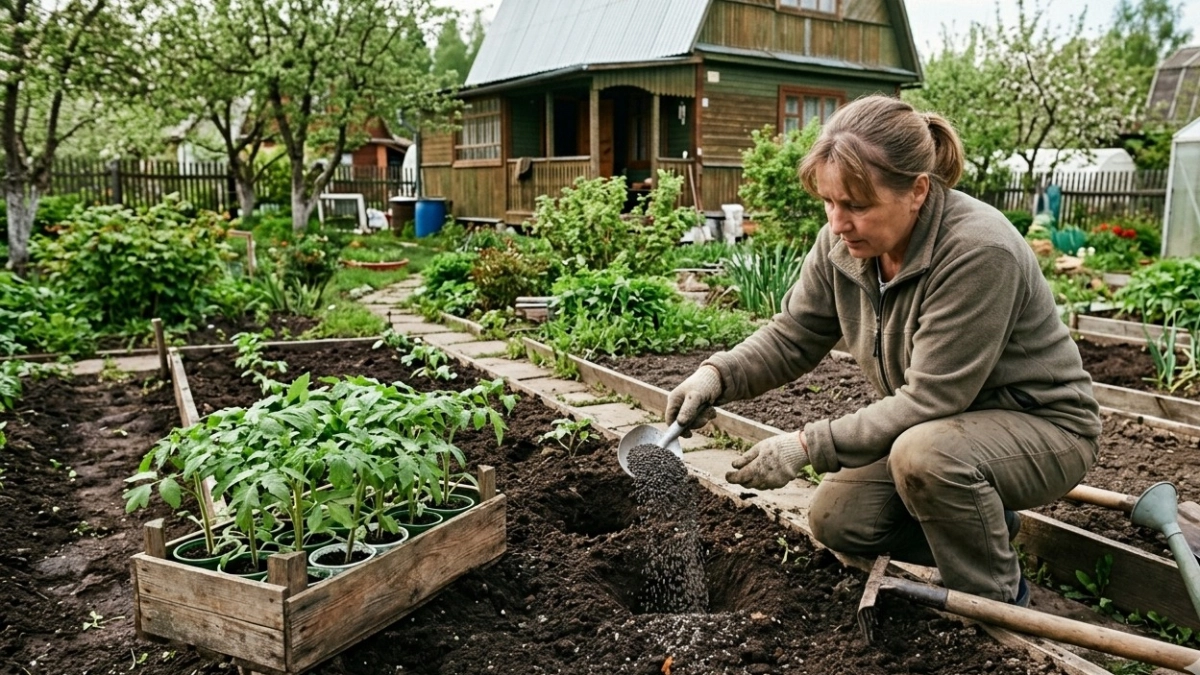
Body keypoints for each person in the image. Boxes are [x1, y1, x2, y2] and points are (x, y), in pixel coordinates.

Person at [664, 95, 1101, 606]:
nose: (837, 221)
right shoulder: (843, 244)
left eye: (856, 205)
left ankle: (996, 607)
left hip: (1041, 426)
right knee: (839, 517)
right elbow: (793, 334)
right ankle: (982, 524)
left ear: (917, 191)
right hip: (946, 429)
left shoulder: (979, 251)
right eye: (829, 202)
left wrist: (805, 446)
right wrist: (717, 375)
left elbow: (930, 400)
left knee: (928, 456)